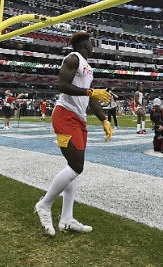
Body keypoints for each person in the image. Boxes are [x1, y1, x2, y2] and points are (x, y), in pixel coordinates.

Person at [35, 32, 112, 236]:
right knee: (77, 166)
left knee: (74, 168)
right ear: (85, 45)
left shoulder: (88, 68)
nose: (94, 46)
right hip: (65, 116)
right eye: (91, 43)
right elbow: (62, 86)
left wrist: (104, 119)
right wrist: (89, 92)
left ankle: (67, 219)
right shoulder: (73, 58)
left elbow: (92, 97)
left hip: (79, 119)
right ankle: (44, 204)